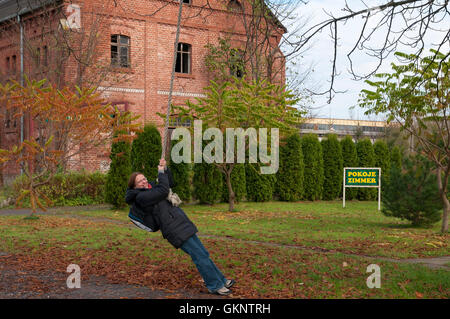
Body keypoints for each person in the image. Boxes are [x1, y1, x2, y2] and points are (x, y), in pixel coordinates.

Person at [125, 159, 235, 296]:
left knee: (203, 253)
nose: (144, 181)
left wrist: (165, 169)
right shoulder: (141, 197)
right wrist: (160, 172)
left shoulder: (151, 188)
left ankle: (221, 280)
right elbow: (164, 189)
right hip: (173, 230)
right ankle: (214, 285)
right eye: (139, 181)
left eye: (144, 178)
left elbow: (169, 183)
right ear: (134, 186)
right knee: (199, 255)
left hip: (181, 222)